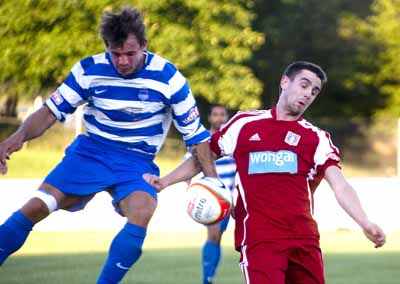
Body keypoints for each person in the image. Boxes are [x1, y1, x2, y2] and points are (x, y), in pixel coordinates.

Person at [0, 6, 218, 284]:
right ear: (106, 47)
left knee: (142, 210)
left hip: (136, 161)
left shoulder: (170, 79)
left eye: (130, 53)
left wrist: (213, 181)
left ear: (144, 46)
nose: (123, 61)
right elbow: (49, 112)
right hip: (91, 154)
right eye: (116, 54)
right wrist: (14, 139)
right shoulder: (88, 70)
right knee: (35, 207)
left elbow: (197, 138)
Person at [144, 61, 386, 284]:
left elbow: (340, 185)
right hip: (260, 240)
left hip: (304, 240)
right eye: (304, 85)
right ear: (284, 82)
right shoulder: (244, 124)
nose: (307, 94)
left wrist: (364, 222)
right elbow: (202, 155)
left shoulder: (316, 138)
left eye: (314, 91)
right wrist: (165, 181)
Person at [185, 104, 236, 284]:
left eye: (222, 115)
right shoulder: (201, 141)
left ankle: (210, 275)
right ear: (209, 117)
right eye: (216, 115)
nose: (219, 118)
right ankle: (206, 280)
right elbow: (189, 167)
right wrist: (189, 190)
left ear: (227, 117)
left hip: (231, 199)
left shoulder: (232, 141)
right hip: (211, 197)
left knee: (218, 237)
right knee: (213, 234)